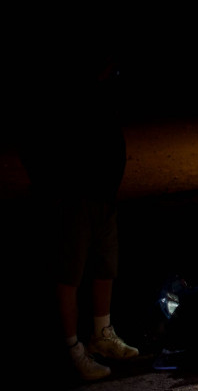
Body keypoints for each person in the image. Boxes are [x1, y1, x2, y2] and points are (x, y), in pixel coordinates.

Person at [19, 46, 139, 381]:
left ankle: (101, 334)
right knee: (68, 275)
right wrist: (51, 189)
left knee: (105, 267)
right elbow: (31, 138)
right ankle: (71, 349)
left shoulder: (101, 90)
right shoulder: (62, 90)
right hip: (74, 196)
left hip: (103, 196)